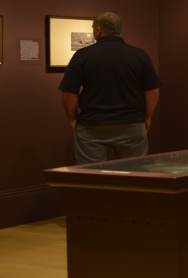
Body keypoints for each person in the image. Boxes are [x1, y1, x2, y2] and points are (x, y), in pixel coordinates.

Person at [59, 11, 160, 164]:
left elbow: (69, 93)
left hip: (92, 126)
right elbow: (152, 90)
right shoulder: (140, 55)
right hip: (131, 124)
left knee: (91, 177)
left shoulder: (82, 55)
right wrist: (146, 117)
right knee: (135, 176)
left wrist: (73, 119)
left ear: (98, 30)